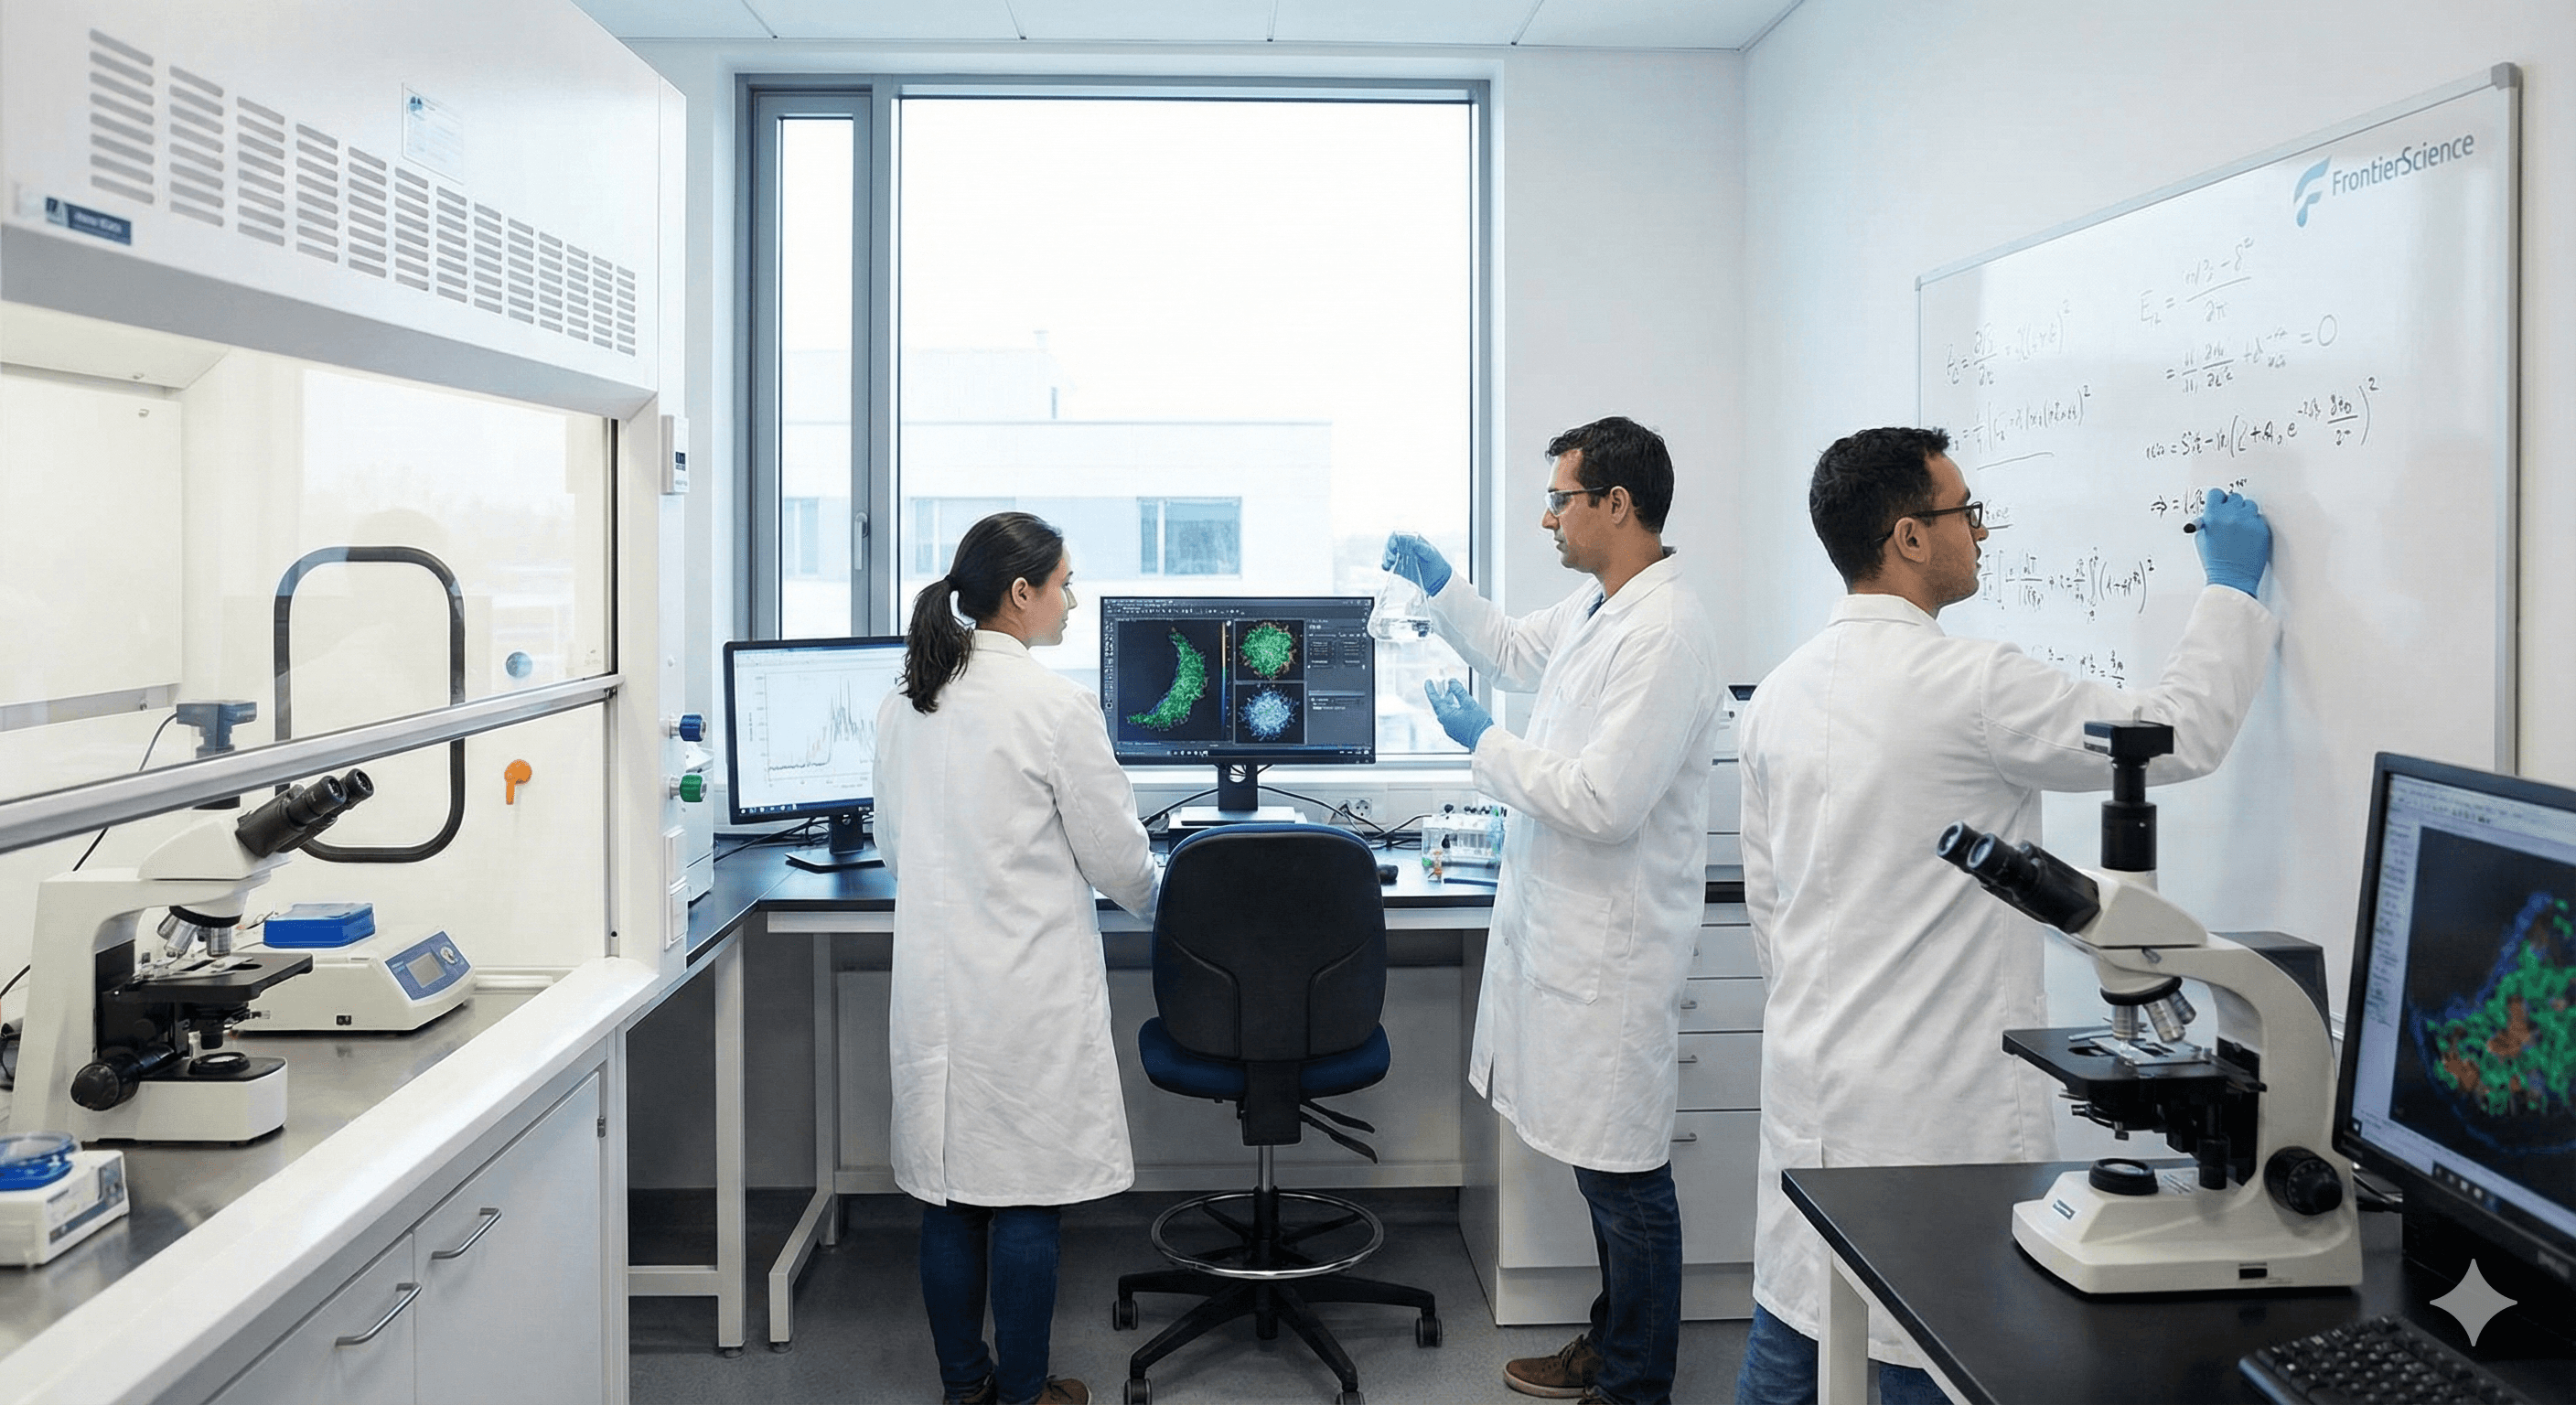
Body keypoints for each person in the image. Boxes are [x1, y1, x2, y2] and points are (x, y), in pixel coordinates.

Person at [1732, 427, 2279, 1404]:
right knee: (1914, 1359)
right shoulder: (1970, 686)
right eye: (1964, 513)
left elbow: (1768, 912)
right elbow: (2171, 734)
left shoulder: (1776, 694)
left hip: (1813, 1099)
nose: (1980, 534)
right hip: (1929, 1124)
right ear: (1908, 536)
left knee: (1799, 1343)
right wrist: (2230, 594)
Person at [1383, 415, 1726, 1405]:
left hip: (1612, 951)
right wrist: (1441, 584)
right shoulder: (1598, 606)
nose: (1546, 517)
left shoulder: (1662, 633)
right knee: (1602, 1177)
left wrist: (1483, 744)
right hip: (1570, 936)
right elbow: (1509, 650)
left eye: (1559, 499)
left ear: (1616, 505)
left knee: (1626, 1184)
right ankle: (1613, 1344)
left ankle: (1633, 1383)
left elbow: (1601, 802)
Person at [875, 511, 1160, 1405]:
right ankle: (1031, 1391)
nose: (1073, 602)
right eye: (1065, 584)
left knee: (951, 1197)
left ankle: (968, 1389)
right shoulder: (1054, 706)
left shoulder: (906, 699)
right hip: (1024, 994)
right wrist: (1173, 896)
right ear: (1021, 592)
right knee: (1028, 1197)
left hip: (937, 992)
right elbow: (1120, 865)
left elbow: (892, 845)